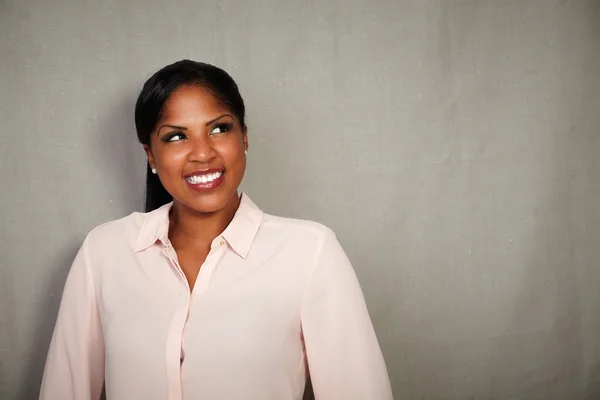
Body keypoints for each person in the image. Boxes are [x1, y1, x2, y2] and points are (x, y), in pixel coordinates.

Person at [39, 60, 392, 400]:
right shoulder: (104, 251)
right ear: (150, 155)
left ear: (245, 138)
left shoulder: (310, 252)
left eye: (219, 129)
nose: (202, 153)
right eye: (176, 137)